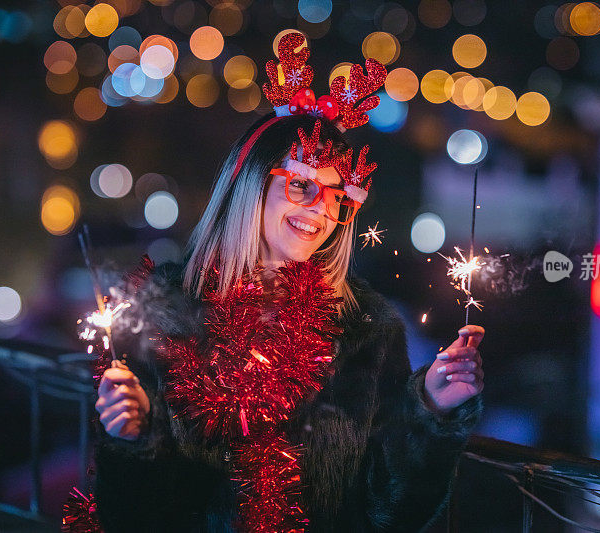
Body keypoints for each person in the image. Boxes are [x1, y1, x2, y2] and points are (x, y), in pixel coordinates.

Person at [90, 33, 485, 533]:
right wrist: (132, 439)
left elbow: (388, 513)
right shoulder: (160, 313)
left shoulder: (365, 330)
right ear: (251, 182)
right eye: (301, 185)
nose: (319, 208)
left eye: (337, 196)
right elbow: (129, 519)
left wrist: (430, 412)